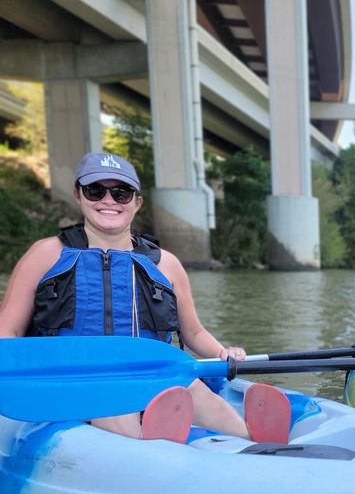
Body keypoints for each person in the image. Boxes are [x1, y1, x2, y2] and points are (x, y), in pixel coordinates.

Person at [0, 152, 288, 443]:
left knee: (191, 390)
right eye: (95, 190)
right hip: (74, 381)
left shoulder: (166, 264)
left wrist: (222, 353)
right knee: (115, 406)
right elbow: (7, 330)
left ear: (136, 202)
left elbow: (193, 331)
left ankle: (255, 441)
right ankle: (157, 443)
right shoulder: (45, 254)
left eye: (121, 193)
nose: (108, 200)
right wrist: (15, 381)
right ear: (79, 196)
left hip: (151, 374)